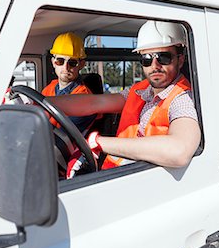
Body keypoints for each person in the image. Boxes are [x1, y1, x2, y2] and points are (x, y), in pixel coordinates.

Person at [48, 21, 201, 177]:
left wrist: (98, 142)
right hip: (118, 175)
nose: (154, 65)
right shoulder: (140, 90)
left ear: (180, 60)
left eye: (163, 57)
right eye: (147, 59)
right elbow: (94, 103)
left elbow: (179, 151)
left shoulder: (182, 98)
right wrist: (44, 103)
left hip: (147, 183)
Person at [42, 32, 96, 134]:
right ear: (53, 62)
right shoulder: (49, 89)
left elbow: (63, 137)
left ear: (81, 65)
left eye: (72, 63)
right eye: (60, 61)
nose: (66, 67)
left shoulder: (84, 98)